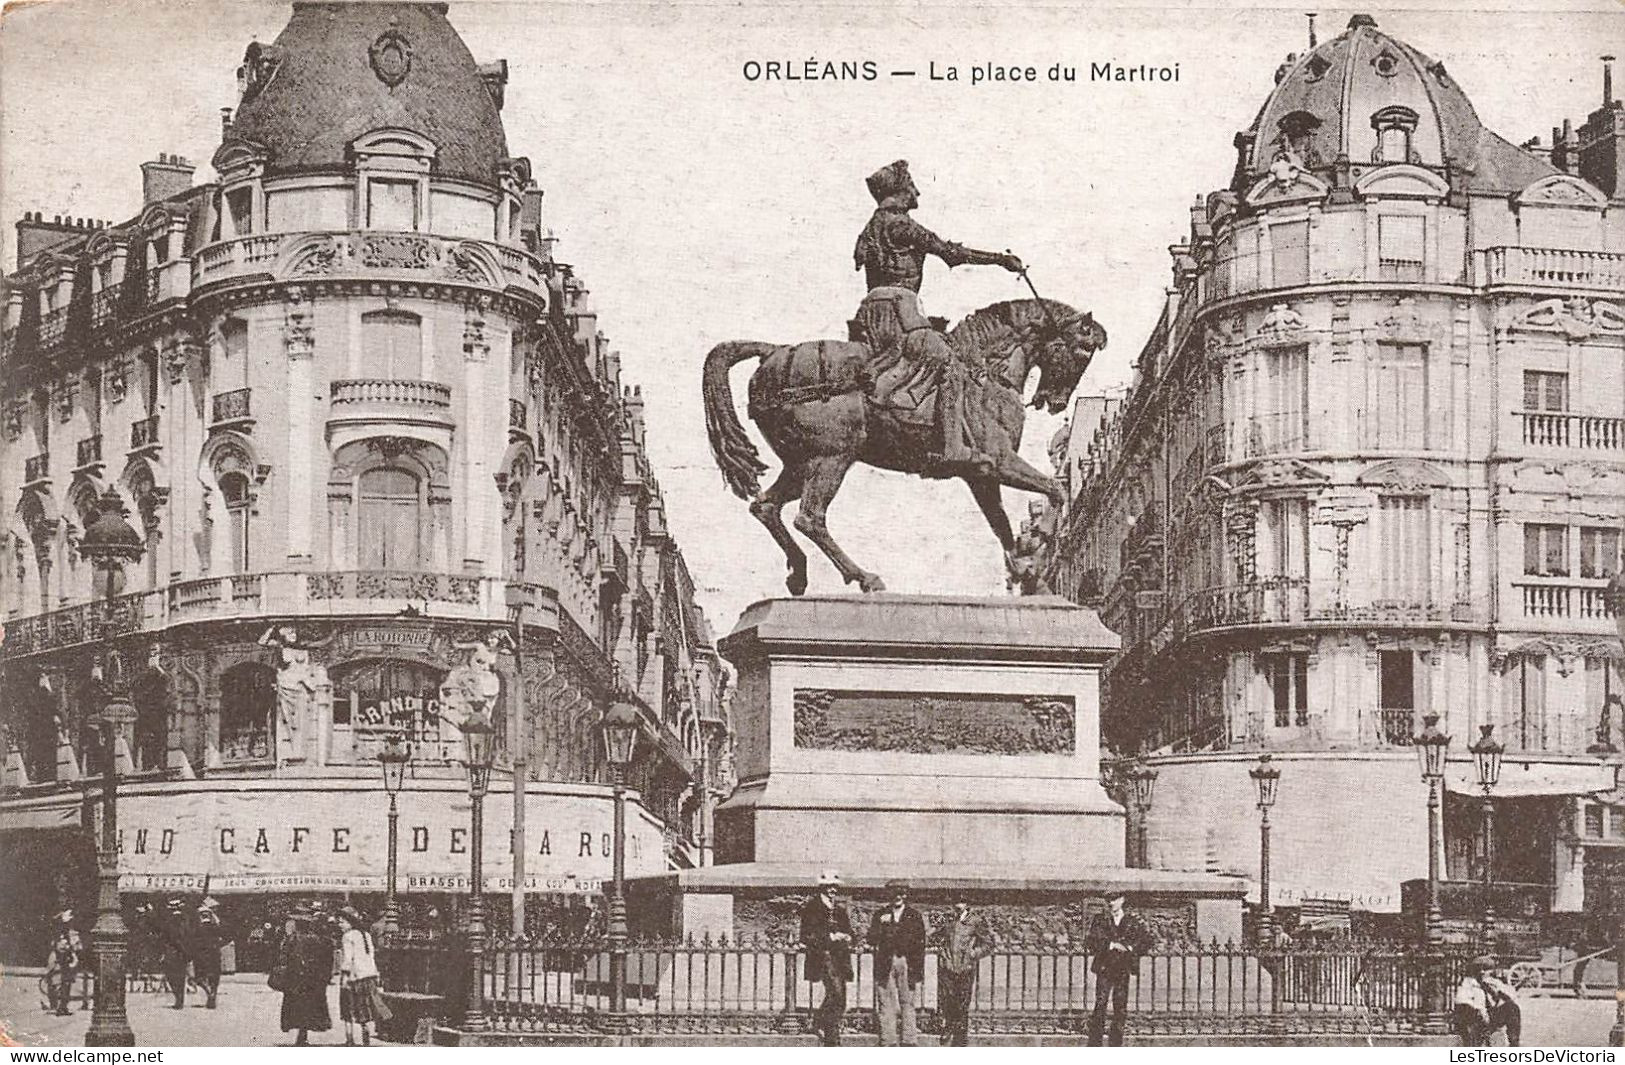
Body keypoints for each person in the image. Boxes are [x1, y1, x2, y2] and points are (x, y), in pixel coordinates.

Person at [851, 159, 1024, 478]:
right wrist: (1000, 260)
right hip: (898, 308)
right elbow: (951, 252)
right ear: (901, 192)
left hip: (872, 311)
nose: (917, 190)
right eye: (912, 185)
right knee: (950, 363)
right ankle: (953, 447)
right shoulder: (901, 225)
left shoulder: (871, 227)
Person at [1085, 891, 1151, 1046]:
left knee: (1120, 1005)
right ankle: (1095, 1042)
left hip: (1122, 967)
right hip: (1104, 967)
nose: (1110, 903)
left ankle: (1116, 1042)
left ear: (1122, 900)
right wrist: (1111, 945)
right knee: (1100, 1003)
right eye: (1108, 900)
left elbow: (1146, 941)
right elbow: (1092, 941)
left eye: (1113, 900)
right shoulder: (1100, 919)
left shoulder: (1132, 921)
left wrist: (1129, 947)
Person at [798, 870, 854, 1046]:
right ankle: (831, 1036)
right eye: (829, 887)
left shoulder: (838, 909)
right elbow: (807, 935)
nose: (833, 890)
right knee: (836, 993)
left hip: (840, 957)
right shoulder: (812, 907)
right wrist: (830, 937)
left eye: (835, 887)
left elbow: (849, 930)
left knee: (840, 995)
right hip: (822, 956)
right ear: (822, 887)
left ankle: (820, 1022)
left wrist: (848, 936)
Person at [868, 880, 927, 1046]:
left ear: (906, 895)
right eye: (894, 893)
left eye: (901, 893)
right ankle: (888, 1040)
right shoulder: (880, 914)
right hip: (885, 962)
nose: (897, 897)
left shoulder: (914, 916)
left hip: (907, 962)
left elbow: (920, 944)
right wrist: (882, 925)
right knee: (886, 1001)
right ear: (889, 896)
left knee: (907, 1001)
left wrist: (917, 970)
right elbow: (871, 938)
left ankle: (909, 1040)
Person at [936, 896, 991, 1046]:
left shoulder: (975, 921)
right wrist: (942, 953)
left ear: (967, 904)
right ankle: (948, 1027)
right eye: (955, 901)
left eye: (961, 901)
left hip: (965, 968)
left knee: (962, 1002)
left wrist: (973, 954)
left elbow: (988, 943)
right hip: (948, 967)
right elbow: (937, 937)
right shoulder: (948, 919)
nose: (957, 904)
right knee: (948, 999)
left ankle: (960, 1037)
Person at [277, 907, 334, 1045]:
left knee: (297, 1006)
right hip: (312, 979)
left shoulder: (292, 939)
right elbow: (327, 961)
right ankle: (304, 1033)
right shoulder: (321, 940)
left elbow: (283, 958)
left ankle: (301, 1033)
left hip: (296, 979)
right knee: (309, 1006)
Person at [336, 907, 392, 1046]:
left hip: (354, 977)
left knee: (348, 1008)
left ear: (350, 922)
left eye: (342, 922)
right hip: (369, 975)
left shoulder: (347, 936)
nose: (340, 925)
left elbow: (348, 959)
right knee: (364, 1008)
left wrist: (344, 977)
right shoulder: (366, 935)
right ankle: (365, 1037)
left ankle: (349, 1039)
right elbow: (371, 955)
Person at [1454, 955, 1522, 1047]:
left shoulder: (1492, 982)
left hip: (1491, 1014)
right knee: (1472, 1016)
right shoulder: (1468, 983)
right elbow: (1462, 1001)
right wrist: (1479, 1011)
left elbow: (1511, 996)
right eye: (1479, 969)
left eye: (1486, 970)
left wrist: (1498, 989)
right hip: (1476, 1017)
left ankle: (1514, 1043)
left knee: (1512, 1007)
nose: (1482, 972)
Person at [43, 911, 83, 1017]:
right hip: (58, 960)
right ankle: (56, 1005)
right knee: (56, 982)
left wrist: (71, 948)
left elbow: (77, 947)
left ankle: (61, 1006)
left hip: (65, 960)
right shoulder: (58, 933)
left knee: (64, 983)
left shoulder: (71, 933)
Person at [158, 898, 192, 1009]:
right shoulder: (185, 920)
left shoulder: (170, 921)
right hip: (182, 951)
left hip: (173, 951)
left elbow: (169, 937)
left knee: (171, 976)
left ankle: (178, 999)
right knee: (180, 977)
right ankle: (179, 999)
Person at [192, 898, 224, 1009]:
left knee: (200, 977)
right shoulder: (215, 922)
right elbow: (221, 934)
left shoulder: (197, 923)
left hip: (201, 951)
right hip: (214, 951)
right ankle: (212, 993)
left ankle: (209, 992)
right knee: (214, 975)